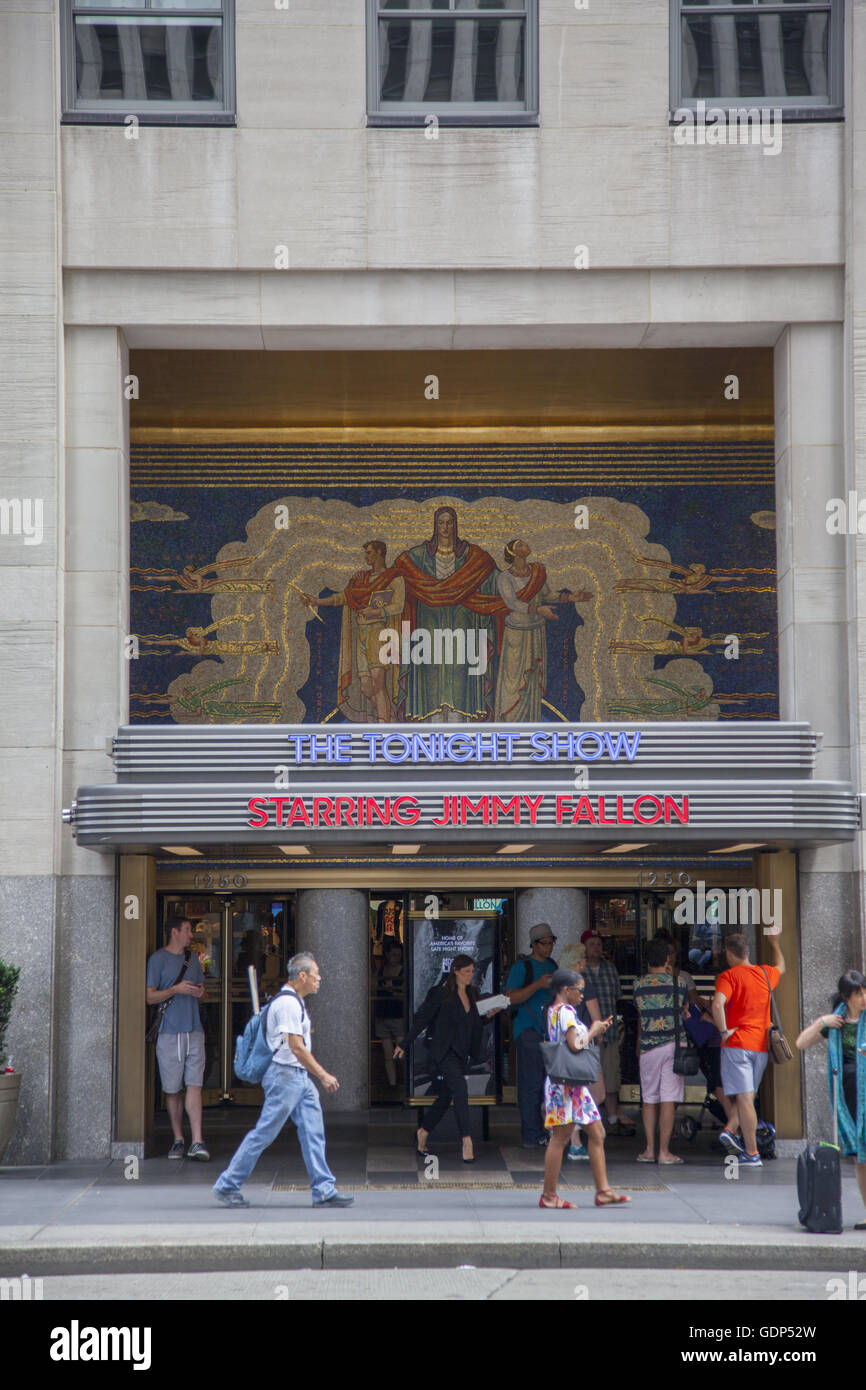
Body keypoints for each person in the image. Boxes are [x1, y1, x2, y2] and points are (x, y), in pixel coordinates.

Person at [212, 953, 353, 1208]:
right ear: (302, 976)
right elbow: (296, 1047)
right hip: (285, 1076)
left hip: (296, 1076)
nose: (319, 979)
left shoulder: (293, 1001)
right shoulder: (288, 1004)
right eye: (316, 974)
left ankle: (323, 1189)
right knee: (264, 1133)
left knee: (313, 1132)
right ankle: (227, 1184)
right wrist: (323, 1075)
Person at [540, 969, 631, 1210]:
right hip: (566, 1088)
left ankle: (603, 1191)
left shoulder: (553, 1010)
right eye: (579, 990)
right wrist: (594, 1030)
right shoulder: (566, 1012)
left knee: (597, 1133)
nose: (582, 994)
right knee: (560, 1138)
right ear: (566, 990)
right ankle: (549, 1195)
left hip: (572, 1086)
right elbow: (575, 1044)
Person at [395, 954, 485, 1163]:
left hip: (462, 1053)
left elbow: (474, 1024)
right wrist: (404, 1043)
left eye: (472, 971)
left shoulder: (472, 993)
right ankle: (466, 1140)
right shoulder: (441, 994)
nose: (470, 975)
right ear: (455, 971)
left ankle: (423, 1131)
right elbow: (423, 1020)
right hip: (444, 1053)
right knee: (460, 1088)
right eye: (466, 972)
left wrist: (489, 1015)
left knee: (446, 1096)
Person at [796, 970, 866, 1230]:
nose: (864, 997)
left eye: (865, 991)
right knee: (860, 1156)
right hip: (849, 1096)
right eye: (858, 993)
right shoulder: (836, 1022)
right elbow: (801, 1043)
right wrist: (820, 1022)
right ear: (847, 997)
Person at [712, 930, 786, 1167]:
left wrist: (723, 1031)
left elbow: (717, 1004)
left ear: (729, 954)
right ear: (747, 952)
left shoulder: (729, 976)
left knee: (745, 1098)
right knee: (748, 1095)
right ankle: (730, 1130)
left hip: (737, 1044)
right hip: (761, 1046)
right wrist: (774, 943)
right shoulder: (765, 973)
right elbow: (782, 967)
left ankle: (752, 1152)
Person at [145, 916, 209, 1161]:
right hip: (169, 1032)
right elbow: (149, 997)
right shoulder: (157, 959)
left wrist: (200, 992)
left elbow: (203, 990)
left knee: (195, 1084)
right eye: (187, 930)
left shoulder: (192, 959)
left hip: (194, 1029)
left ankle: (197, 1140)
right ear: (175, 932)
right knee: (172, 1088)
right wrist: (175, 989)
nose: (191, 935)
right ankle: (178, 1139)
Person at [633, 937, 690, 1164]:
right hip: (674, 1045)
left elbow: (640, 1013)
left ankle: (649, 1149)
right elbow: (684, 1009)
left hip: (648, 1046)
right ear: (668, 958)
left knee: (649, 1098)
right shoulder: (679, 983)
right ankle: (664, 1152)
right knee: (668, 1098)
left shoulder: (638, 985)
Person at [505, 924, 558, 1148]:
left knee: (550, 1083)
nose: (549, 947)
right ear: (534, 944)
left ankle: (547, 1130)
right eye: (544, 943)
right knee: (532, 1084)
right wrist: (537, 985)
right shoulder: (522, 967)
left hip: (550, 1032)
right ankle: (532, 1134)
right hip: (528, 1031)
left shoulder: (553, 965)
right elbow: (510, 997)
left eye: (551, 943)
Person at [581, 928, 634, 1136]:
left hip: (609, 1032)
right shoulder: (579, 969)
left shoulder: (610, 968)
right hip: (586, 1034)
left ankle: (612, 1116)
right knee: (588, 1078)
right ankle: (588, 1119)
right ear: (584, 948)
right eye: (592, 944)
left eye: (599, 944)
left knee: (611, 1075)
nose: (596, 947)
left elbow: (617, 995)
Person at [373, 943, 405, 1090]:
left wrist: (392, 990)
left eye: (398, 955)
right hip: (382, 1014)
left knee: (401, 1052)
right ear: (387, 954)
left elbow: (405, 993)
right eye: (393, 954)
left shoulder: (403, 971)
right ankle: (392, 1084)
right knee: (387, 1054)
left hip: (397, 1014)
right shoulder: (380, 970)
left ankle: (405, 1083)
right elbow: (373, 988)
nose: (396, 958)